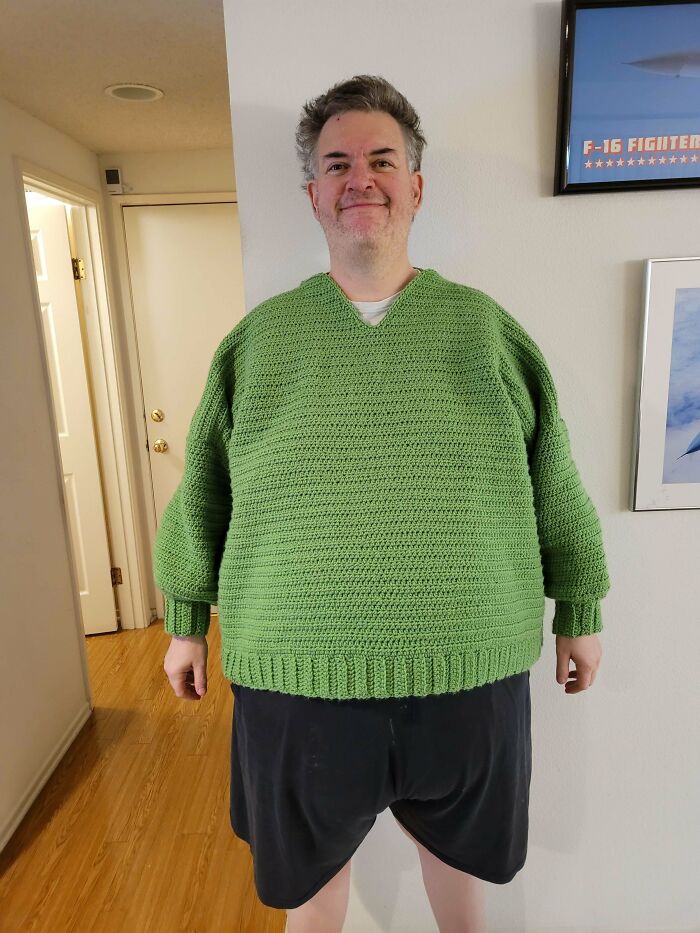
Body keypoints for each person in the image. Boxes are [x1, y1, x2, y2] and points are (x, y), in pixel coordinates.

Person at [154, 75, 611, 932]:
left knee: (461, 877)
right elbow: (203, 493)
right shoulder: (260, 342)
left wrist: (579, 608)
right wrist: (185, 621)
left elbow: (554, 479)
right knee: (310, 890)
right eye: (337, 164)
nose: (360, 178)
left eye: (381, 160)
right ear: (312, 194)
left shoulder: (484, 331)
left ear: (417, 186)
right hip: (295, 678)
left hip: (469, 673)